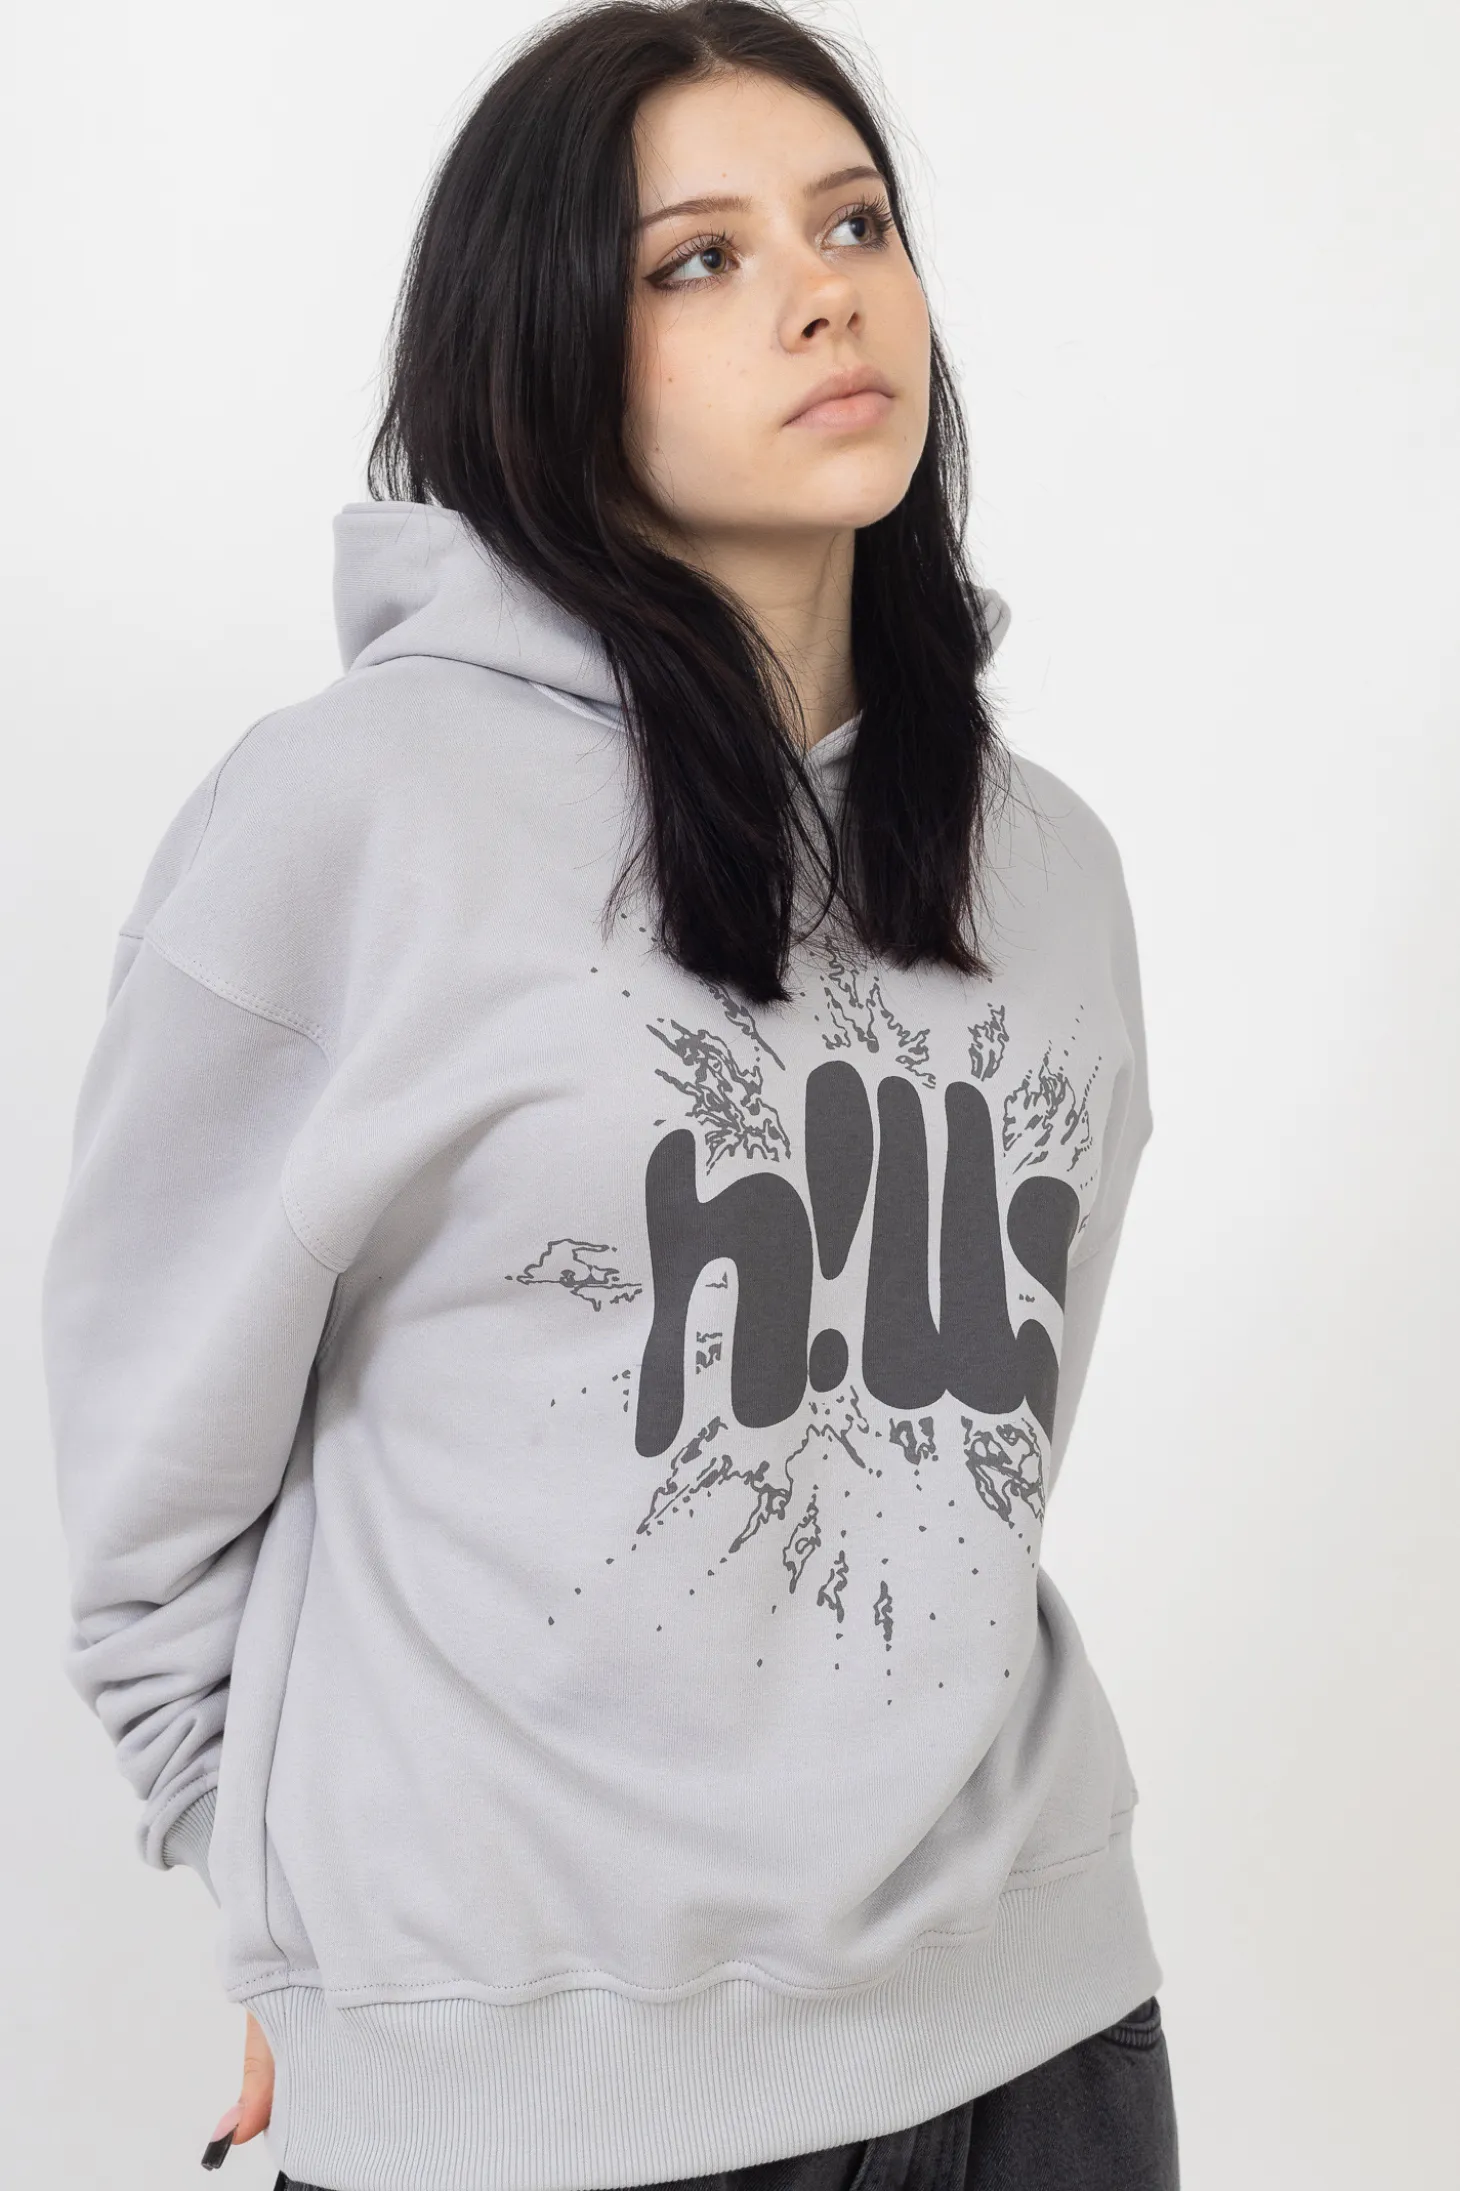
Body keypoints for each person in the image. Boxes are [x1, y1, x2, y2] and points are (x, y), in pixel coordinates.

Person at [40, 4, 1179, 2188]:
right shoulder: (352, 823)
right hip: (535, 2108)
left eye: (854, 224)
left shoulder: (1048, 870)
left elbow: (981, 1451)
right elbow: (151, 1473)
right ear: (541, 347)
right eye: (700, 258)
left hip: (1035, 2038)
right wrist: (314, 1941)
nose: (821, 293)